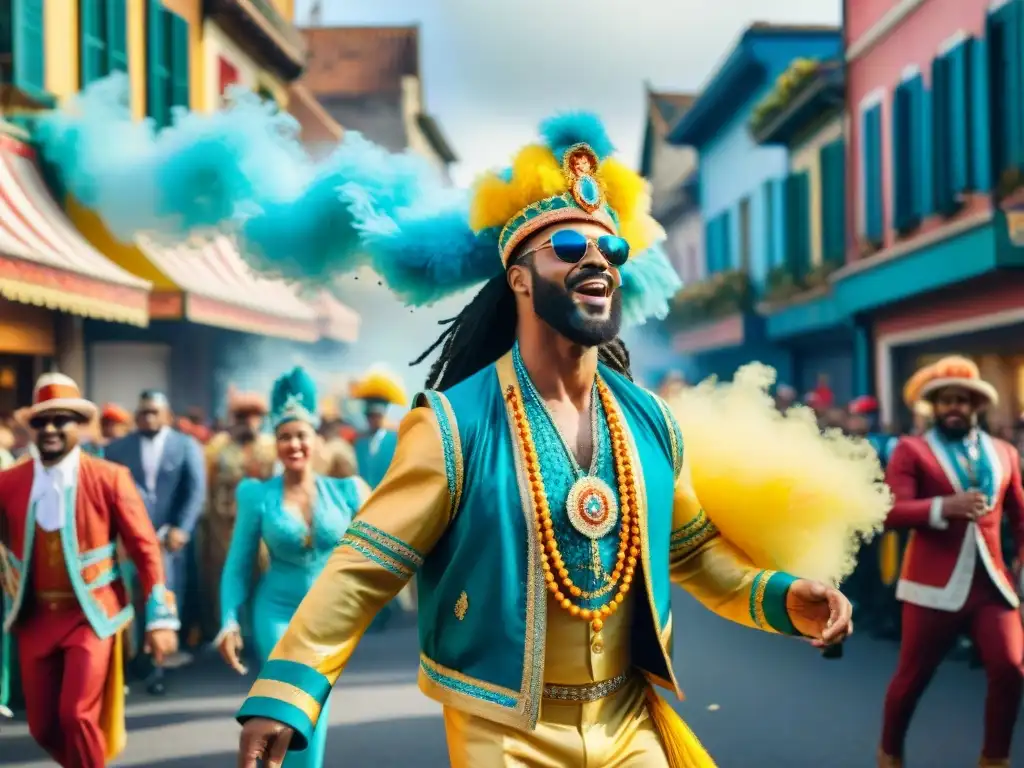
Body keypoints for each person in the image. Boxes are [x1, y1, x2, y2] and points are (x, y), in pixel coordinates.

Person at [230, 113, 878, 767]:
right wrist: (287, 689)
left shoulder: (652, 421)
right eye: (569, 246)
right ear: (518, 277)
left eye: (612, 251)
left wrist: (782, 598)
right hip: (502, 728)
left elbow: (695, 555)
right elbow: (363, 568)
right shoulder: (452, 425)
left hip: (629, 720)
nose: (598, 259)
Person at [0, 373, 178, 767]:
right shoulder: (8, 482)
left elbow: (146, 548)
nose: (49, 429)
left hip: (92, 616)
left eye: (61, 419)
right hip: (34, 619)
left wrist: (160, 617)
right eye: (41, 421)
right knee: (43, 727)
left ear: (77, 425)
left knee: (77, 714)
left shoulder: (109, 477)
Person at [215, 368, 369, 768]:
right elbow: (237, 566)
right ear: (275, 443)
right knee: (290, 704)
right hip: (276, 615)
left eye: (301, 435)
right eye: (284, 436)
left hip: (328, 621)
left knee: (312, 711)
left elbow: (380, 549)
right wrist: (229, 621)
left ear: (317, 440)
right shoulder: (256, 495)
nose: (294, 444)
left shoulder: (348, 490)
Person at [879, 356, 1024, 768]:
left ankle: (995, 760)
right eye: (946, 401)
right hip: (930, 588)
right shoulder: (911, 450)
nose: (955, 407)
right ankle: (890, 755)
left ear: (977, 405)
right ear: (934, 407)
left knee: (1010, 669)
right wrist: (944, 506)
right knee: (911, 681)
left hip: (992, 586)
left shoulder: (1005, 452)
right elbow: (890, 512)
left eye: (963, 400)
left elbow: (1020, 515)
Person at [104, 390, 206, 695]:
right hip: (128, 540)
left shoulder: (186, 445)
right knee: (128, 600)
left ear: (167, 415)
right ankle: (132, 662)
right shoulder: (118, 448)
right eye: (143, 412)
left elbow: (195, 491)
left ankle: (157, 667)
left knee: (162, 598)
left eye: (154, 411)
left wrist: (182, 528)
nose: (148, 417)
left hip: (166, 540)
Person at [199, 389, 276, 643]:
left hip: (263, 526)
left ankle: (260, 632)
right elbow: (207, 487)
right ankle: (229, 631)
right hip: (225, 528)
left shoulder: (270, 446)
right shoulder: (217, 448)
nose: (248, 422)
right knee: (225, 577)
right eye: (243, 416)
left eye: (255, 416)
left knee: (262, 576)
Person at [350, 367, 407, 489]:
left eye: (376, 415)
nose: (372, 419)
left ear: (383, 414)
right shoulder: (359, 442)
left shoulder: (396, 440)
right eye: (369, 415)